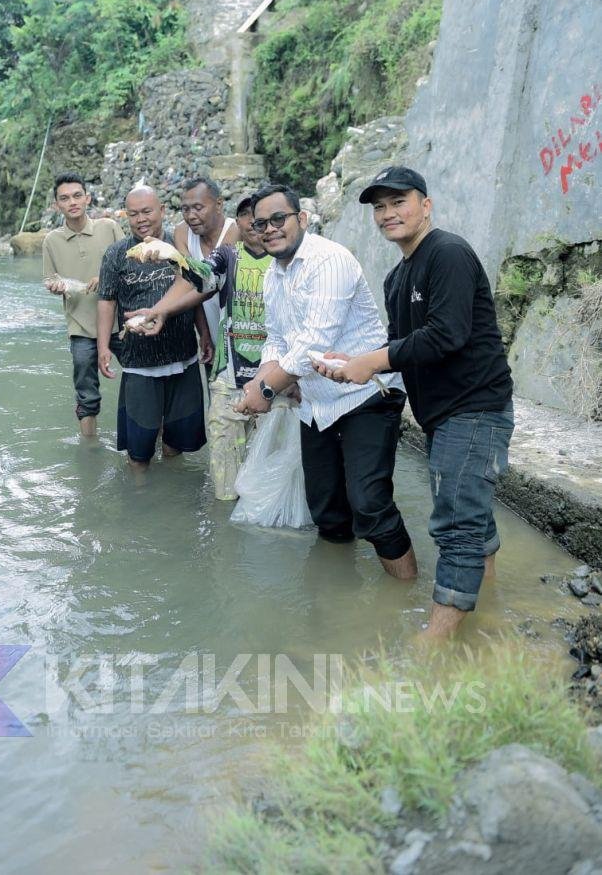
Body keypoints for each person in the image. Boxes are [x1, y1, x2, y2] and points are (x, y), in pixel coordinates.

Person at [314, 166, 513, 640]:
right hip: (444, 415)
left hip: (475, 408)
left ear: (426, 205)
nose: (388, 214)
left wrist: (374, 360)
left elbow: (447, 334)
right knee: (472, 516)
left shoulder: (447, 253)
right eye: (379, 207)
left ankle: (434, 644)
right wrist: (360, 360)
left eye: (398, 201)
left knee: (456, 525)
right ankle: (487, 617)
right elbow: (404, 345)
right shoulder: (397, 278)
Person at [238, 183, 417, 579]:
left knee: (369, 502)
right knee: (327, 511)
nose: (269, 229)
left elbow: (313, 341)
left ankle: (407, 594)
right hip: (316, 405)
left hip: (365, 396)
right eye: (261, 223)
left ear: (301, 219)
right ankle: (336, 600)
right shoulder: (274, 275)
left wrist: (266, 389)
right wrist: (261, 381)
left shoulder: (329, 260)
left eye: (278, 219)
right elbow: (277, 338)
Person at [127, 194, 274, 499]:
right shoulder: (227, 257)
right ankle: (225, 535)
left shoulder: (289, 259)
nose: (254, 223)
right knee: (225, 478)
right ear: (239, 220)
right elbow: (198, 276)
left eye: (262, 217)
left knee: (268, 473)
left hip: (277, 380)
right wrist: (162, 304)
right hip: (228, 378)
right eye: (247, 215)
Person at [96, 186, 212, 471]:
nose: (140, 219)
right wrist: (102, 347)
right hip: (139, 363)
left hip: (182, 357)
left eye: (147, 211)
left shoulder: (179, 246)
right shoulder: (116, 254)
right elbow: (106, 302)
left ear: (162, 210)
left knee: (177, 442)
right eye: (133, 214)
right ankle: (139, 500)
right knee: (139, 451)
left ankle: (172, 499)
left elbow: (197, 290)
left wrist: (205, 334)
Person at [41, 174, 125, 438]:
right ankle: (89, 448)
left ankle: (147, 435)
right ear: (57, 205)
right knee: (86, 391)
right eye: (64, 198)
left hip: (119, 321)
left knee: (140, 377)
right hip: (81, 326)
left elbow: (130, 264)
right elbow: (51, 280)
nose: (72, 202)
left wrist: (106, 276)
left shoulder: (109, 227)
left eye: (77, 196)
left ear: (87, 198)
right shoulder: (51, 241)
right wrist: (55, 288)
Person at [173, 177, 237, 365]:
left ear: (218, 204)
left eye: (198, 208)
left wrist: (163, 312)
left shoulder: (235, 231)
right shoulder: (182, 233)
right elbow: (189, 283)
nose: (191, 215)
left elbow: (208, 284)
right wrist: (204, 333)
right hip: (214, 341)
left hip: (243, 338)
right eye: (185, 209)